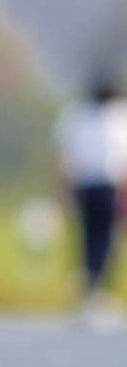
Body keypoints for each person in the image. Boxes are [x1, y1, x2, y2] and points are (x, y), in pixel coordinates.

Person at [55, 76, 127, 327]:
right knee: (96, 238)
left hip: (101, 186)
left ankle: (95, 289)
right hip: (95, 185)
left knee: (100, 238)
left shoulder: (82, 116)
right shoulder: (91, 117)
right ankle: (92, 290)